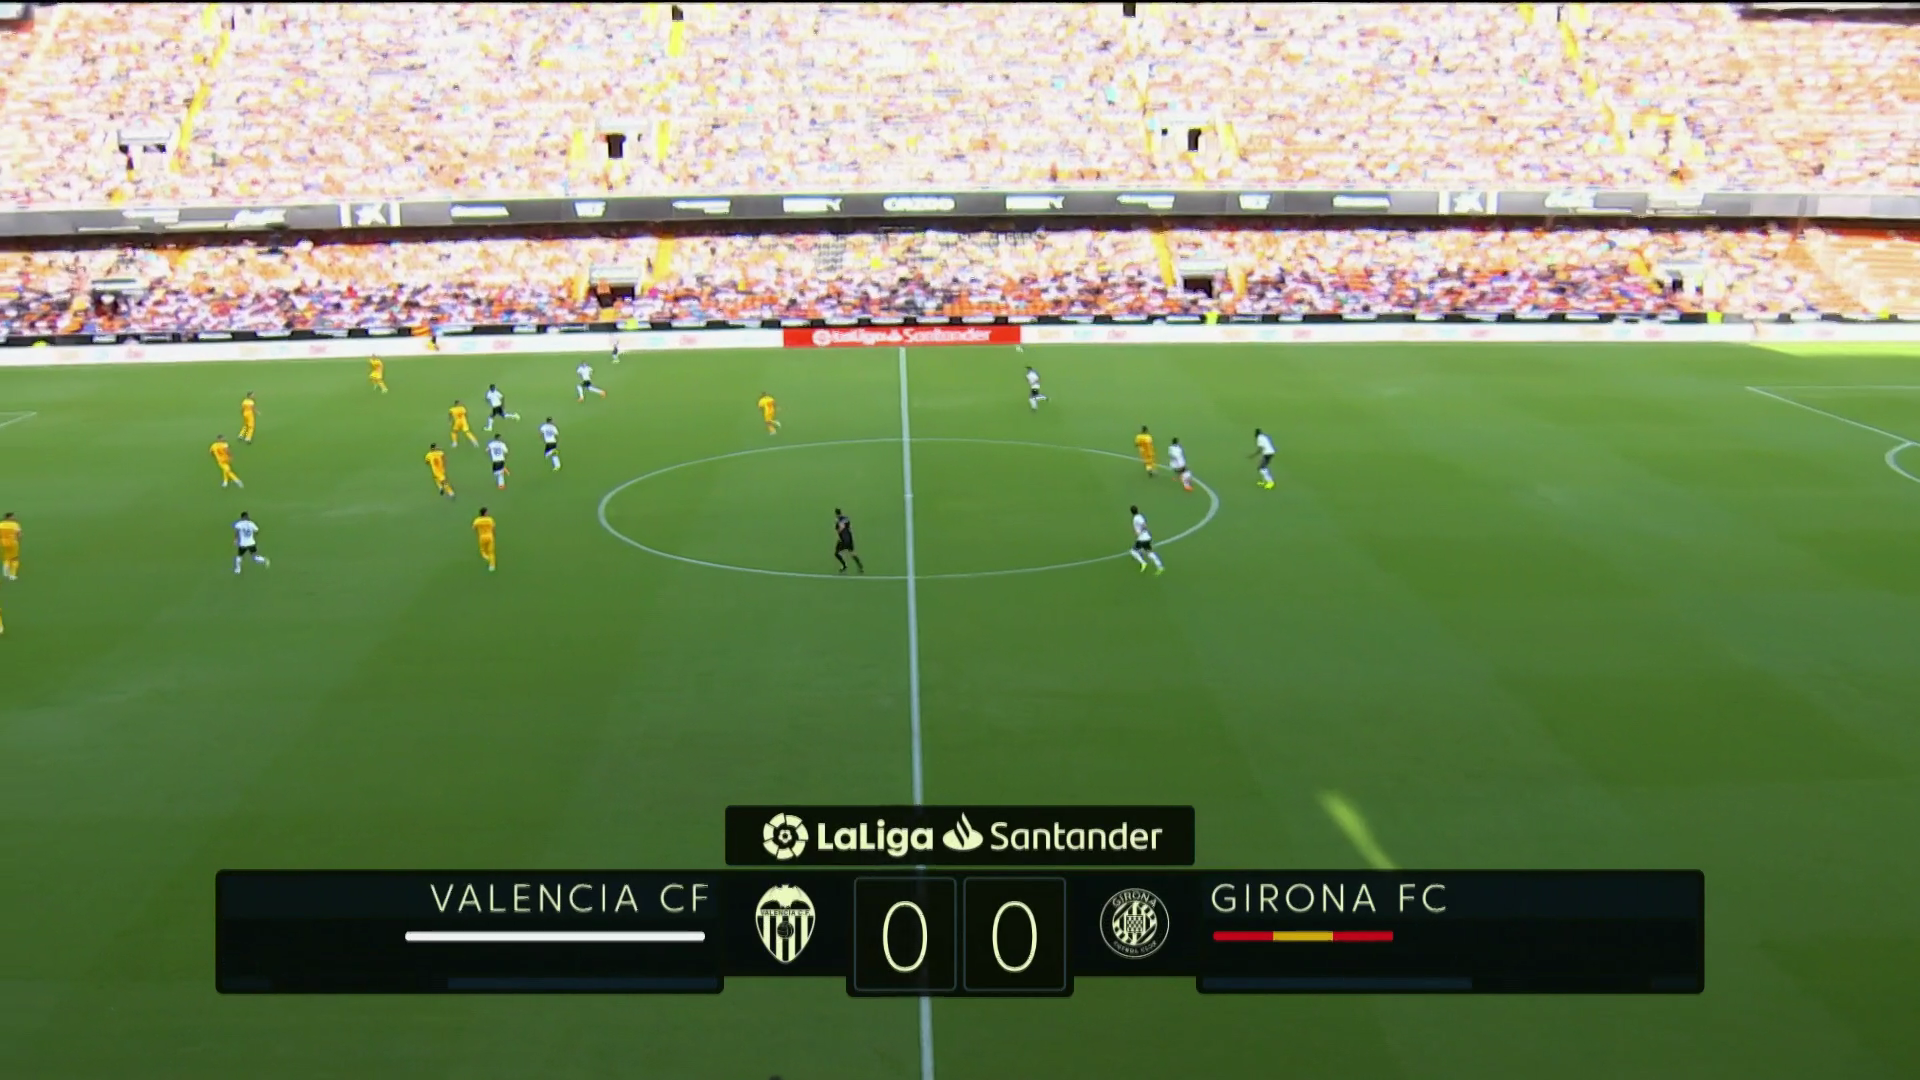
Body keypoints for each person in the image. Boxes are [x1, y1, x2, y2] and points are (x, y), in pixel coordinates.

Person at [1129, 505, 1165, 575]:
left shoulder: (1136, 518)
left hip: (1142, 539)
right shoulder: (1140, 516)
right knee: (1149, 553)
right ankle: (1160, 567)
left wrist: (1139, 532)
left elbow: (1144, 525)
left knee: (1133, 551)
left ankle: (1143, 563)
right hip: (1147, 537)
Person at [833, 509, 864, 574]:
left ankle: (844, 566)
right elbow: (849, 527)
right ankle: (860, 566)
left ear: (836, 514)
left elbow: (838, 531)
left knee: (836, 553)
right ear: (841, 512)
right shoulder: (846, 518)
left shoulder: (837, 521)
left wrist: (839, 538)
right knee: (852, 552)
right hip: (849, 538)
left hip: (843, 540)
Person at [0, 511, 19, 580]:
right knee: (14, 558)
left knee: (7, 557)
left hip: (4, 543)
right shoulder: (15, 524)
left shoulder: (1, 524)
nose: (14, 517)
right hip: (13, 543)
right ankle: (12, 575)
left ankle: (5, 573)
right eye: (13, 516)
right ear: (9, 517)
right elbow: (19, 534)